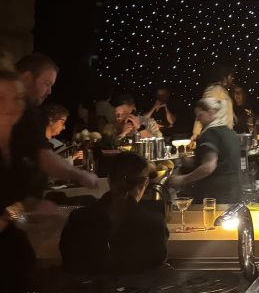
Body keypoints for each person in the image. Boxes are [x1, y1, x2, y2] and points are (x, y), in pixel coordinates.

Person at [60, 152, 168, 275]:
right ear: (145, 183)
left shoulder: (78, 219)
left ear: (109, 179)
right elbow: (155, 272)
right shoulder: (153, 224)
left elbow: (69, 264)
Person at [0, 69, 56, 291]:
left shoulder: (16, 149)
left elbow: (14, 206)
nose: (12, 107)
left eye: (18, 99)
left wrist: (26, 212)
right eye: (1, 99)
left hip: (14, 256)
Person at [14, 54, 98, 190]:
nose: (49, 91)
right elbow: (44, 157)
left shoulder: (32, 114)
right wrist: (80, 175)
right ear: (27, 78)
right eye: (46, 84)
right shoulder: (27, 115)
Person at [171, 98, 242, 203]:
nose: (197, 119)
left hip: (215, 195)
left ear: (211, 112)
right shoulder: (229, 132)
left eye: (200, 115)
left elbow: (208, 167)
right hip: (233, 193)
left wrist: (182, 179)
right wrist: (187, 161)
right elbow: (222, 161)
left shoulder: (210, 134)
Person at [192, 63, 235, 139]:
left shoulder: (222, 91)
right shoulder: (214, 90)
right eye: (231, 76)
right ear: (226, 77)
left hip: (224, 136)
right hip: (216, 137)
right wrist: (196, 134)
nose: (232, 79)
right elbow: (203, 111)